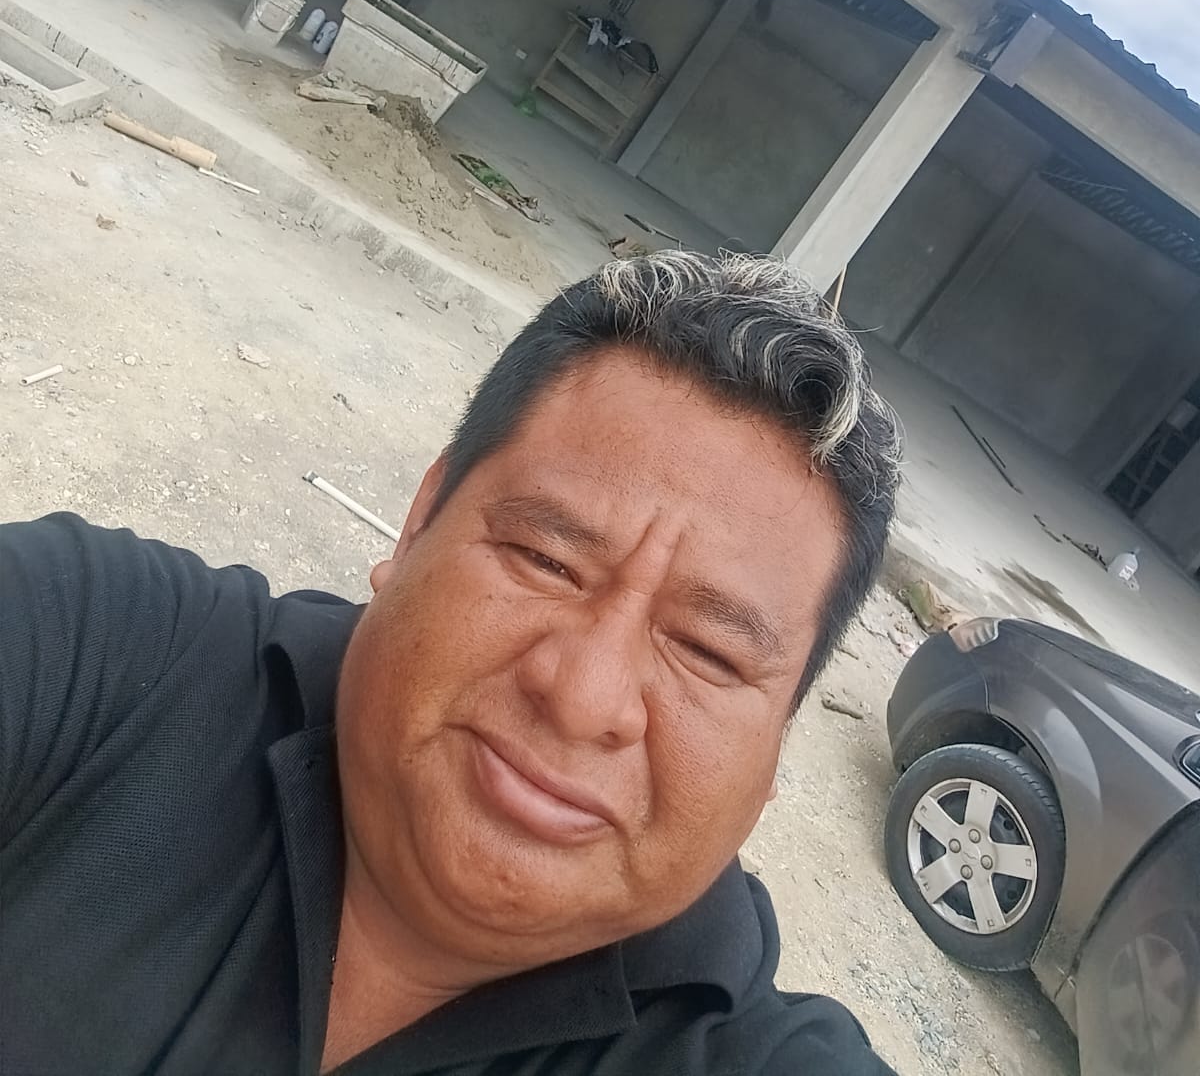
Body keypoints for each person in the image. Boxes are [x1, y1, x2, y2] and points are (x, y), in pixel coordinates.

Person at [1, 251, 902, 1075]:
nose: (582, 696)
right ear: (418, 520)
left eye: (707, 650)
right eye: (546, 560)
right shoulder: (101, 649)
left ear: (778, 744)